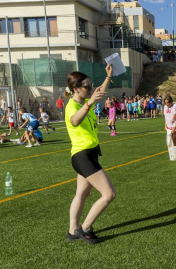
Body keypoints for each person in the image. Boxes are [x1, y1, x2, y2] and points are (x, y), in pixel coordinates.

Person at [64, 65, 116, 244]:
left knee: (82, 194)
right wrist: (90, 102)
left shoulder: (82, 101)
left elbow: (99, 92)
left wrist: (108, 77)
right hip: (82, 155)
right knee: (109, 194)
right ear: (76, 89)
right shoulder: (73, 106)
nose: (91, 89)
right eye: (87, 87)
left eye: (91, 85)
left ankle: (72, 231)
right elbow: (75, 120)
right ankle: (84, 229)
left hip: (88, 154)